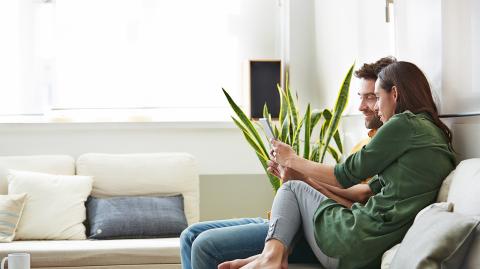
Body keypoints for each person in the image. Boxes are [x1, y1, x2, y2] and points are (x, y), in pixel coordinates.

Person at [220, 61, 456, 269]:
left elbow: (345, 175)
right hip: (369, 249)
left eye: (377, 97)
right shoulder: (433, 137)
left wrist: (291, 159)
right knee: (296, 186)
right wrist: (305, 180)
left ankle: (270, 258)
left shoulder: (404, 124)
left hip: (355, 242)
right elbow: (363, 193)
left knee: (290, 189)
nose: (373, 108)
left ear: (394, 94)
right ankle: (269, 257)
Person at [179, 57, 396, 269]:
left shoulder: (386, 149)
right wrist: (298, 180)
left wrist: (302, 179)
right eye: (361, 96)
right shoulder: (363, 144)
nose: (361, 106)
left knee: (205, 246)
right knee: (190, 235)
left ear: (390, 96)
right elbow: (340, 191)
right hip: (300, 216)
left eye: (370, 97)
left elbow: (355, 206)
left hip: (323, 227)